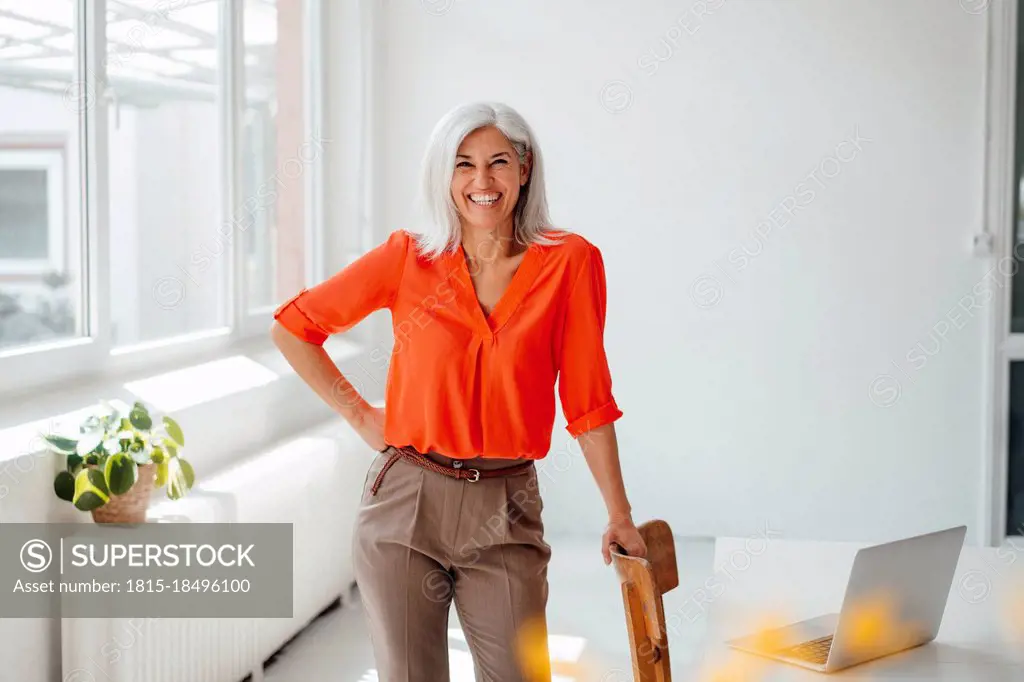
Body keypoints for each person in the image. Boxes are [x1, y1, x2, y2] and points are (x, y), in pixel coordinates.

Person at [271, 101, 646, 682]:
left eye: (498, 162)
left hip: (506, 504)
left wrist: (619, 514)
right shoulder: (408, 258)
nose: (482, 181)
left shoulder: (570, 263)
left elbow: (589, 401)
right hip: (405, 499)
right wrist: (360, 415)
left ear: (524, 168)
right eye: (463, 164)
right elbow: (296, 327)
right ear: (444, 176)